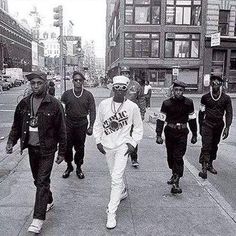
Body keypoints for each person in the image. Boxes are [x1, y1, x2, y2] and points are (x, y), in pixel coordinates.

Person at [6, 71, 66, 234]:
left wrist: (62, 151)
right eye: (33, 83)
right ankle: (49, 200)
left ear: (45, 84)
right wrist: (11, 141)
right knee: (38, 180)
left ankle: (37, 219)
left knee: (41, 181)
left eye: (39, 83)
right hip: (31, 148)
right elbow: (16, 125)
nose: (36, 86)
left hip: (47, 149)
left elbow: (62, 129)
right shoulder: (24, 103)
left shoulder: (54, 104)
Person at [93, 75, 143, 229]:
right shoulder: (103, 104)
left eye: (123, 88)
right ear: (113, 88)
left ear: (127, 89)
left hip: (123, 146)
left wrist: (132, 144)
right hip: (107, 146)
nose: (120, 91)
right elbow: (98, 124)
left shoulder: (132, 107)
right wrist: (98, 141)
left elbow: (138, 128)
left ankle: (111, 212)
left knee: (115, 178)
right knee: (113, 175)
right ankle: (121, 191)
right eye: (117, 87)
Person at [156, 80, 197, 194]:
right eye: (176, 90)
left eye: (180, 90)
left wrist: (194, 134)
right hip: (169, 133)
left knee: (178, 157)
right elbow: (161, 119)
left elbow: (192, 119)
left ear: (183, 91)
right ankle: (174, 173)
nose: (178, 92)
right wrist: (158, 134)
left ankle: (176, 181)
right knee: (171, 158)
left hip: (182, 133)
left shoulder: (189, 103)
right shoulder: (166, 103)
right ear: (173, 90)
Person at [61, 71, 96, 179]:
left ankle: (79, 167)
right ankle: (69, 166)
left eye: (80, 80)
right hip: (69, 122)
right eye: (76, 80)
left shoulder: (88, 95)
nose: (78, 82)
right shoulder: (66, 94)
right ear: (73, 81)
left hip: (82, 123)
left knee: (80, 147)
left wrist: (91, 126)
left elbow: (92, 111)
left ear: (83, 82)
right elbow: (61, 110)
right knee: (67, 146)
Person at [198, 75, 233, 179]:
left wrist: (227, 127)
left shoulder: (226, 98)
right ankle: (204, 167)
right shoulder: (205, 97)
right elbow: (201, 113)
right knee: (206, 145)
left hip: (218, 125)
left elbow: (229, 113)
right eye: (213, 83)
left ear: (221, 85)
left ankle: (210, 164)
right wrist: (200, 126)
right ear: (211, 85)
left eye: (217, 83)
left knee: (214, 145)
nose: (215, 85)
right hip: (207, 124)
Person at [119, 66, 146, 167]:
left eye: (126, 73)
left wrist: (142, 113)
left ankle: (134, 158)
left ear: (129, 74)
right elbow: (111, 99)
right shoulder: (117, 84)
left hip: (133, 115)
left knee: (133, 137)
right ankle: (122, 156)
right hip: (120, 116)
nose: (125, 75)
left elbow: (142, 99)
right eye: (123, 73)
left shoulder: (136, 85)